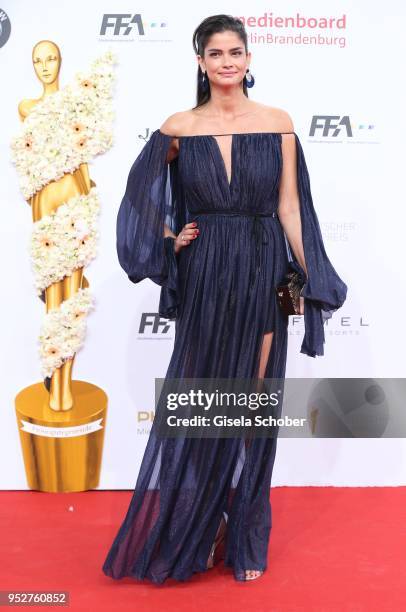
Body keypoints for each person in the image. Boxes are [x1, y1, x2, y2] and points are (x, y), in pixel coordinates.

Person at [102, 14, 347, 584]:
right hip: (209, 270)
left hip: (264, 267)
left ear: (249, 58)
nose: (228, 62)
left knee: (254, 407)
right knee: (206, 405)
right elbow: (138, 200)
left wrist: (313, 275)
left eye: (236, 51)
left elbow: (290, 208)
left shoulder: (278, 123)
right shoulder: (180, 127)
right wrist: (169, 238)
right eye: (216, 54)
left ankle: (244, 533)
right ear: (201, 62)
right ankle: (202, 523)